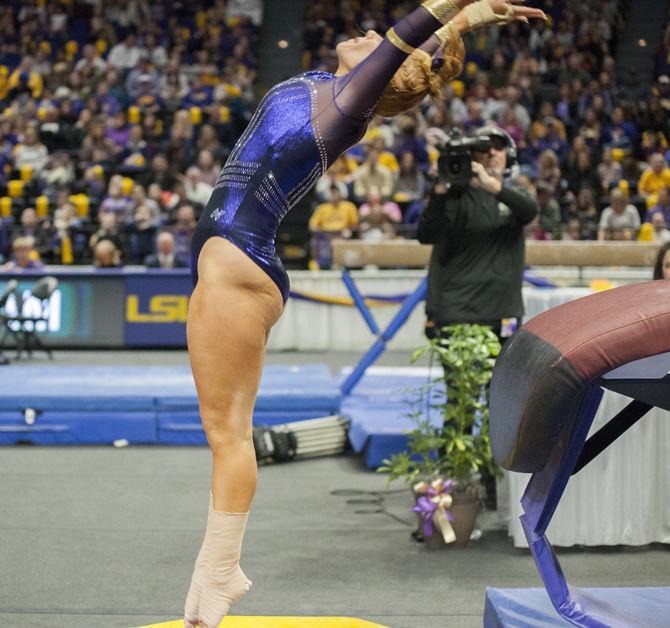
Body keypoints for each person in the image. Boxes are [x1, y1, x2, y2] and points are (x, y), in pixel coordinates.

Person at [183, 2, 546, 627]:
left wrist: (456, 9)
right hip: (238, 264)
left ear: (387, 69)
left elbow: (408, 35)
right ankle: (210, 583)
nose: (369, 34)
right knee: (226, 434)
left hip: (237, 268)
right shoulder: (335, 91)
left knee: (228, 437)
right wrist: (474, 19)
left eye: (380, 42)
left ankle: (219, 574)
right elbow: (419, 46)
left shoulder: (348, 106)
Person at [417, 125, 539, 342]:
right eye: (485, 148)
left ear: (509, 157)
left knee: (503, 377)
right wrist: (439, 191)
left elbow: (530, 211)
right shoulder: (452, 197)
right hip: (456, 311)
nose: (492, 153)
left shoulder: (515, 196)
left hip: (503, 311)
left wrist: (491, 185)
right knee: (459, 377)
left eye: (499, 148)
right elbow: (426, 235)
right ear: (472, 156)